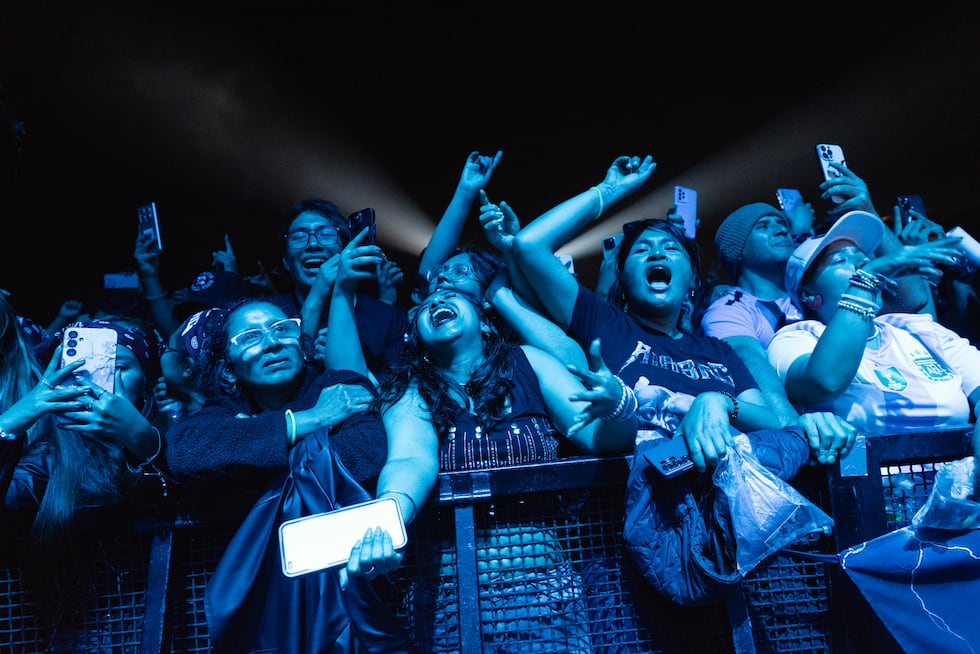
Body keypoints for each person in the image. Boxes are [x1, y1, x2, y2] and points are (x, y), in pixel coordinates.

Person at [507, 154, 830, 606]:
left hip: (732, 531)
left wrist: (719, 402)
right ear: (623, 279)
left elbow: (771, 423)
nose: (656, 253)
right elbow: (528, 244)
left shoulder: (716, 349)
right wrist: (611, 190)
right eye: (641, 250)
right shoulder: (608, 324)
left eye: (670, 248)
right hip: (640, 541)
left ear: (693, 279)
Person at [325, 228, 635, 651]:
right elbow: (410, 461)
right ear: (415, 337)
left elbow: (602, 439)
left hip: (542, 593)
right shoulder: (412, 388)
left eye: (451, 296)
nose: (437, 300)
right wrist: (388, 516)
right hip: (448, 600)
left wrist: (619, 406)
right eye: (427, 303)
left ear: (485, 324)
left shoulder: (530, 362)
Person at [163, 296, 427, 653]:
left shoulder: (340, 386)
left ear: (301, 346)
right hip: (260, 605)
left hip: (355, 594)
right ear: (228, 369)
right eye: (251, 338)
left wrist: (245, 459)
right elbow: (187, 454)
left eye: (282, 329)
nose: (272, 343)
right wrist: (311, 422)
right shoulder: (224, 410)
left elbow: (366, 451)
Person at [1, 305, 168, 639]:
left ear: (146, 383)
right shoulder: (48, 459)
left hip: (169, 627)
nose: (104, 382)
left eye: (119, 366)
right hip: (77, 635)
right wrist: (9, 423)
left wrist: (142, 439)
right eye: (84, 371)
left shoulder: (178, 436)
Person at [767, 210, 980, 439]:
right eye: (840, 260)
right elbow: (824, 382)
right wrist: (867, 278)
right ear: (809, 294)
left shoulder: (917, 329)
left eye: (864, 259)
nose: (862, 264)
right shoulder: (796, 339)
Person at [702, 202, 856, 462]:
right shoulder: (729, 309)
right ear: (737, 251)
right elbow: (754, 369)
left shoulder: (812, 294)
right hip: (809, 445)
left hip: (850, 429)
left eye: (782, 225)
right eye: (763, 226)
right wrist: (798, 437)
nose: (779, 230)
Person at [266, 197, 409, 377]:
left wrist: (340, 357)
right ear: (286, 261)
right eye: (299, 237)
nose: (313, 244)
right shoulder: (269, 315)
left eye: (326, 234)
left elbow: (396, 395)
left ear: (344, 251)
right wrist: (315, 299)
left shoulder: (388, 319)